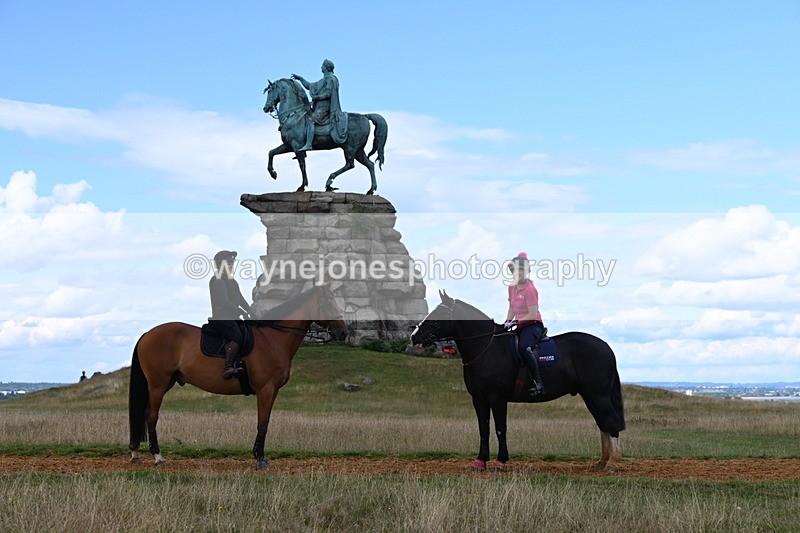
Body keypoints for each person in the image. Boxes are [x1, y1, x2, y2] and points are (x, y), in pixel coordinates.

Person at [504, 252, 546, 396]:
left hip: (533, 325)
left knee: (524, 347)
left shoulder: (530, 290)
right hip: (519, 325)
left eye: (521, 269)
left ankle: (538, 382)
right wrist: (507, 321)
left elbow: (532, 314)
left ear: (526, 271)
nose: (518, 273)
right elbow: (511, 308)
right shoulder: (511, 287)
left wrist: (515, 321)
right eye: (515, 270)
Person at [209, 250, 253, 380]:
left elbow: (240, 299)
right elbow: (224, 302)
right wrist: (241, 312)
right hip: (221, 317)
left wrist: (250, 311)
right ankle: (227, 367)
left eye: (232, 263)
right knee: (237, 336)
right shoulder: (218, 280)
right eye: (228, 263)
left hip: (231, 317)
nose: (231, 265)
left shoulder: (232, 281)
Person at [291, 59, 347, 150]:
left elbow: (328, 94)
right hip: (319, 107)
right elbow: (309, 86)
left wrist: (317, 97)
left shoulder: (330, 79)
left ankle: (309, 144)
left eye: (322, 65)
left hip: (325, 108)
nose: (321, 67)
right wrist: (301, 79)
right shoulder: (323, 80)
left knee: (310, 119)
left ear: (326, 67)